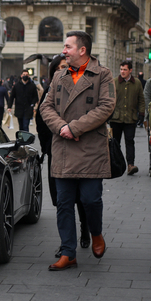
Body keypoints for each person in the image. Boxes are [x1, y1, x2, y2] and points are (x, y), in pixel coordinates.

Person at [39, 31, 115, 271]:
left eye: (68, 46)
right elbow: (46, 107)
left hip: (90, 148)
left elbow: (106, 107)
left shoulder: (103, 75)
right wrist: (62, 127)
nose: (64, 50)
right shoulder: (59, 75)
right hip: (62, 148)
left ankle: (96, 232)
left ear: (82, 50)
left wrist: (74, 127)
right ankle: (68, 252)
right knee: (63, 204)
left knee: (91, 199)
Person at [36, 54, 90, 255]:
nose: (62, 70)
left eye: (65, 67)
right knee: (62, 200)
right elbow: (41, 121)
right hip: (56, 152)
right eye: (58, 68)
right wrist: (46, 146)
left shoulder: (81, 89)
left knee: (83, 198)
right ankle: (67, 243)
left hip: (79, 150)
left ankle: (86, 229)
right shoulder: (49, 92)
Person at [109, 61, 145, 175]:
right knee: (116, 143)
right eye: (121, 69)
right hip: (116, 118)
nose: (122, 72)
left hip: (131, 118)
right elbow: (109, 100)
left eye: (125, 69)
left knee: (130, 141)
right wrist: (108, 115)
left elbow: (141, 99)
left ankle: (130, 165)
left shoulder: (137, 83)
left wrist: (142, 114)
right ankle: (117, 164)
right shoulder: (114, 82)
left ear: (130, 70)